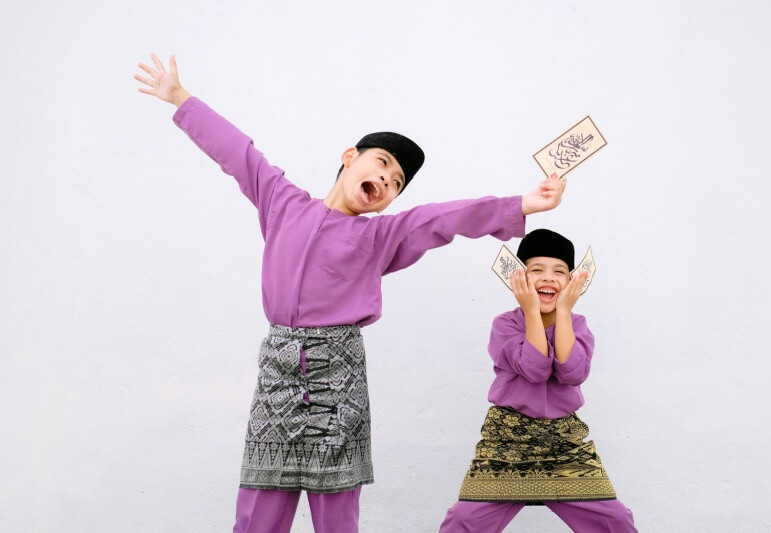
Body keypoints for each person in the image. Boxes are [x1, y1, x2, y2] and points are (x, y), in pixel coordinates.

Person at [134, 53, 566, 533]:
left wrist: (523, 203)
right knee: (259, 509)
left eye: (395, 182)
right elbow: (239, 152)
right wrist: (179, 98)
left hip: (338, 379)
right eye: (381, 164)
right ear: (349, 158)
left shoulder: (380, 237)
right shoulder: (282, 201)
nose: (384, 179)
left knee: (336, 514)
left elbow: (440, 219)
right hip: (278, 371)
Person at [439, 229, 637, 532]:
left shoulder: (578, 325)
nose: (548, 277)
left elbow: (572, 373)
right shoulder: (505, 324)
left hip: (564, 444)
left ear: (571, 282)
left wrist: (564, 313)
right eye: (536, 270)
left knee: (615, 519)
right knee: (464, 520)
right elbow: (535, 369)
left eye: (559, 271)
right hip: (507, 442)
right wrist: (532, 310)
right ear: (518, 278)